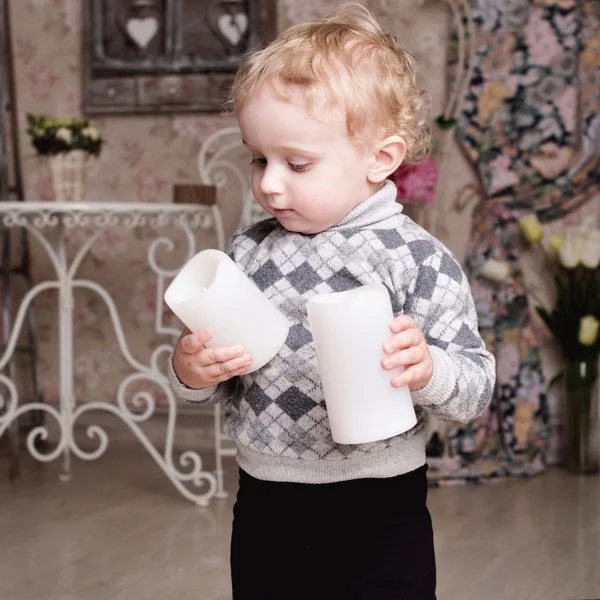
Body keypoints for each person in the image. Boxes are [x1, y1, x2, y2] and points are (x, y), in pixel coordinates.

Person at [169, 4, 495, 599]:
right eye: (259, 158)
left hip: (377, 498)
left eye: (296, 163)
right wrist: (191, 369)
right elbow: (216, 377)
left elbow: (474, 386)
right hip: (267, 492)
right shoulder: (249, 251)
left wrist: (426, 369)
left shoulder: (415, 258)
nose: (270, 182)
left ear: (381, 159)